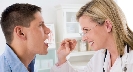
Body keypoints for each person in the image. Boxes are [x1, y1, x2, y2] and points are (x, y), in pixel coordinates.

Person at [50, 0, 133, 72]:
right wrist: (62, 58)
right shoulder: (100, 56)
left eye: (86, 30)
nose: (83, 38)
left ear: (107, 25)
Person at [0, 3, 50, 72]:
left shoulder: (31, 66)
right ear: (21, 33)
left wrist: (62, 60)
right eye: (40, 25)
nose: (48, 30)